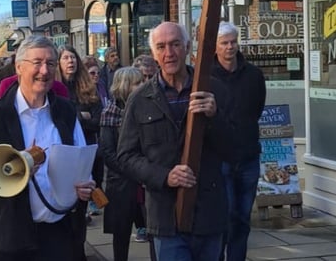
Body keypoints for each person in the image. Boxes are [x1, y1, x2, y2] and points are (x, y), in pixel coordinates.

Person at [0, 35, 96, 261]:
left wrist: (85, 185)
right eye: (36, 63)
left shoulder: (66, 110)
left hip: (61, 231)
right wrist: (14, 171)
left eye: (50, 63)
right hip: (13, 237)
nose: (44, 71)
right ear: (18, 67)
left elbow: (80, 162)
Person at [117, 21, 232, 260]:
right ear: (153, 54)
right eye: (161, 47)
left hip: (208, 213)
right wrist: (164, 176)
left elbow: (236, 147)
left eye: (175, 44)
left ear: (188, 47)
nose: (169, 53)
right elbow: (126, 157)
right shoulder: (140, 99)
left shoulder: (215, 91)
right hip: (165, 217)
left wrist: (214, 117)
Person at [214, 22, 267, 261]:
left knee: (242, 218)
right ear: (216, 47)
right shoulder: (206, 77)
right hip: (220, 159)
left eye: (233, 41)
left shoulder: (254, 75)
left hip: (247, 156)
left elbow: (256, 109)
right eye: (224, 43)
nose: (230, 47)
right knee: (223, 217)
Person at [57, 44, 103, 259]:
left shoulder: (86, 89)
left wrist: (80, 119)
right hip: (64, 157)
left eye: (73, 57)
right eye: (66, 58)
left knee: (80, 210)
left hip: (87, 156)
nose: (70, 61)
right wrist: (81, 117)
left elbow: (97, 120)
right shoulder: (55, 90)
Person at [100, 67, 146, 261]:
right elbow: (108, 153)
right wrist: (133, 169)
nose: (142, 85)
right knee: (122, 234)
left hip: (145, 180)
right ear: (125, 86)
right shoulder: (109, 113)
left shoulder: (146, 109)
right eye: (138, 82)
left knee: (154, 231)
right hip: (121, 182)